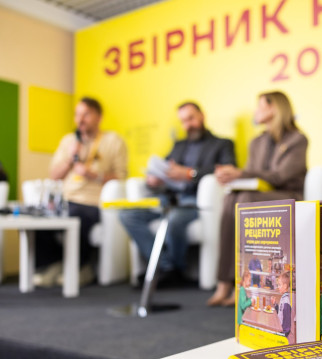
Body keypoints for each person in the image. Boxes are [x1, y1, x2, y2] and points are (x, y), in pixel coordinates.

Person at [207, 91, 308, 306]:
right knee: (231, 198)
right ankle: (224, 282)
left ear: (274, 108)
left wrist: (240, 173)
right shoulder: (257, 142)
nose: (256, 111)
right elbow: (252, 175)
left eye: (260, 106)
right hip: (257, 194)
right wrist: (234, 176)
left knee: (244, 198)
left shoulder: (297, 139)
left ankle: (241, 285)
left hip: (287, 194)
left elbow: (281, 176)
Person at [119, 102, 235, 284]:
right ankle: (165, 266)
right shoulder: (178, 146)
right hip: (169, 198)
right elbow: (165, 167)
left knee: (173, 219)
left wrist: (190, 173)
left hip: (195, 201)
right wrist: (155, 179)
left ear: (202, 115)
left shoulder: (222, 144)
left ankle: (174, 270)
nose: (188, 125)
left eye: (191, 118)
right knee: (128, 215)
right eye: (183, 121)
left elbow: (228, 170)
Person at [35, 97, 127, 286]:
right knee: (39, 215)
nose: (80, 119)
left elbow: (121, 177)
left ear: (99, 117)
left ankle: (81, 267)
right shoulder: (68, 141)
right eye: (77, 114)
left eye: (86, 114)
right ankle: (52, 264)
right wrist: (70, 159)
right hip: (67, 198)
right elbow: (54, 176)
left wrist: (94, 175)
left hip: (93, 202)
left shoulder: (114, 141)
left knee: (77, 216)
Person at [271, 272, 292, 338]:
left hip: (282, 334)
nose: (278, 287)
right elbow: (280, 313)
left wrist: (282, 335)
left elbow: (287, 324)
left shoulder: (286, 301)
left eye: (279, 285)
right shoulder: (283, 298)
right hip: (279, 329)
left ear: (285, 286)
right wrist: (275, 304)